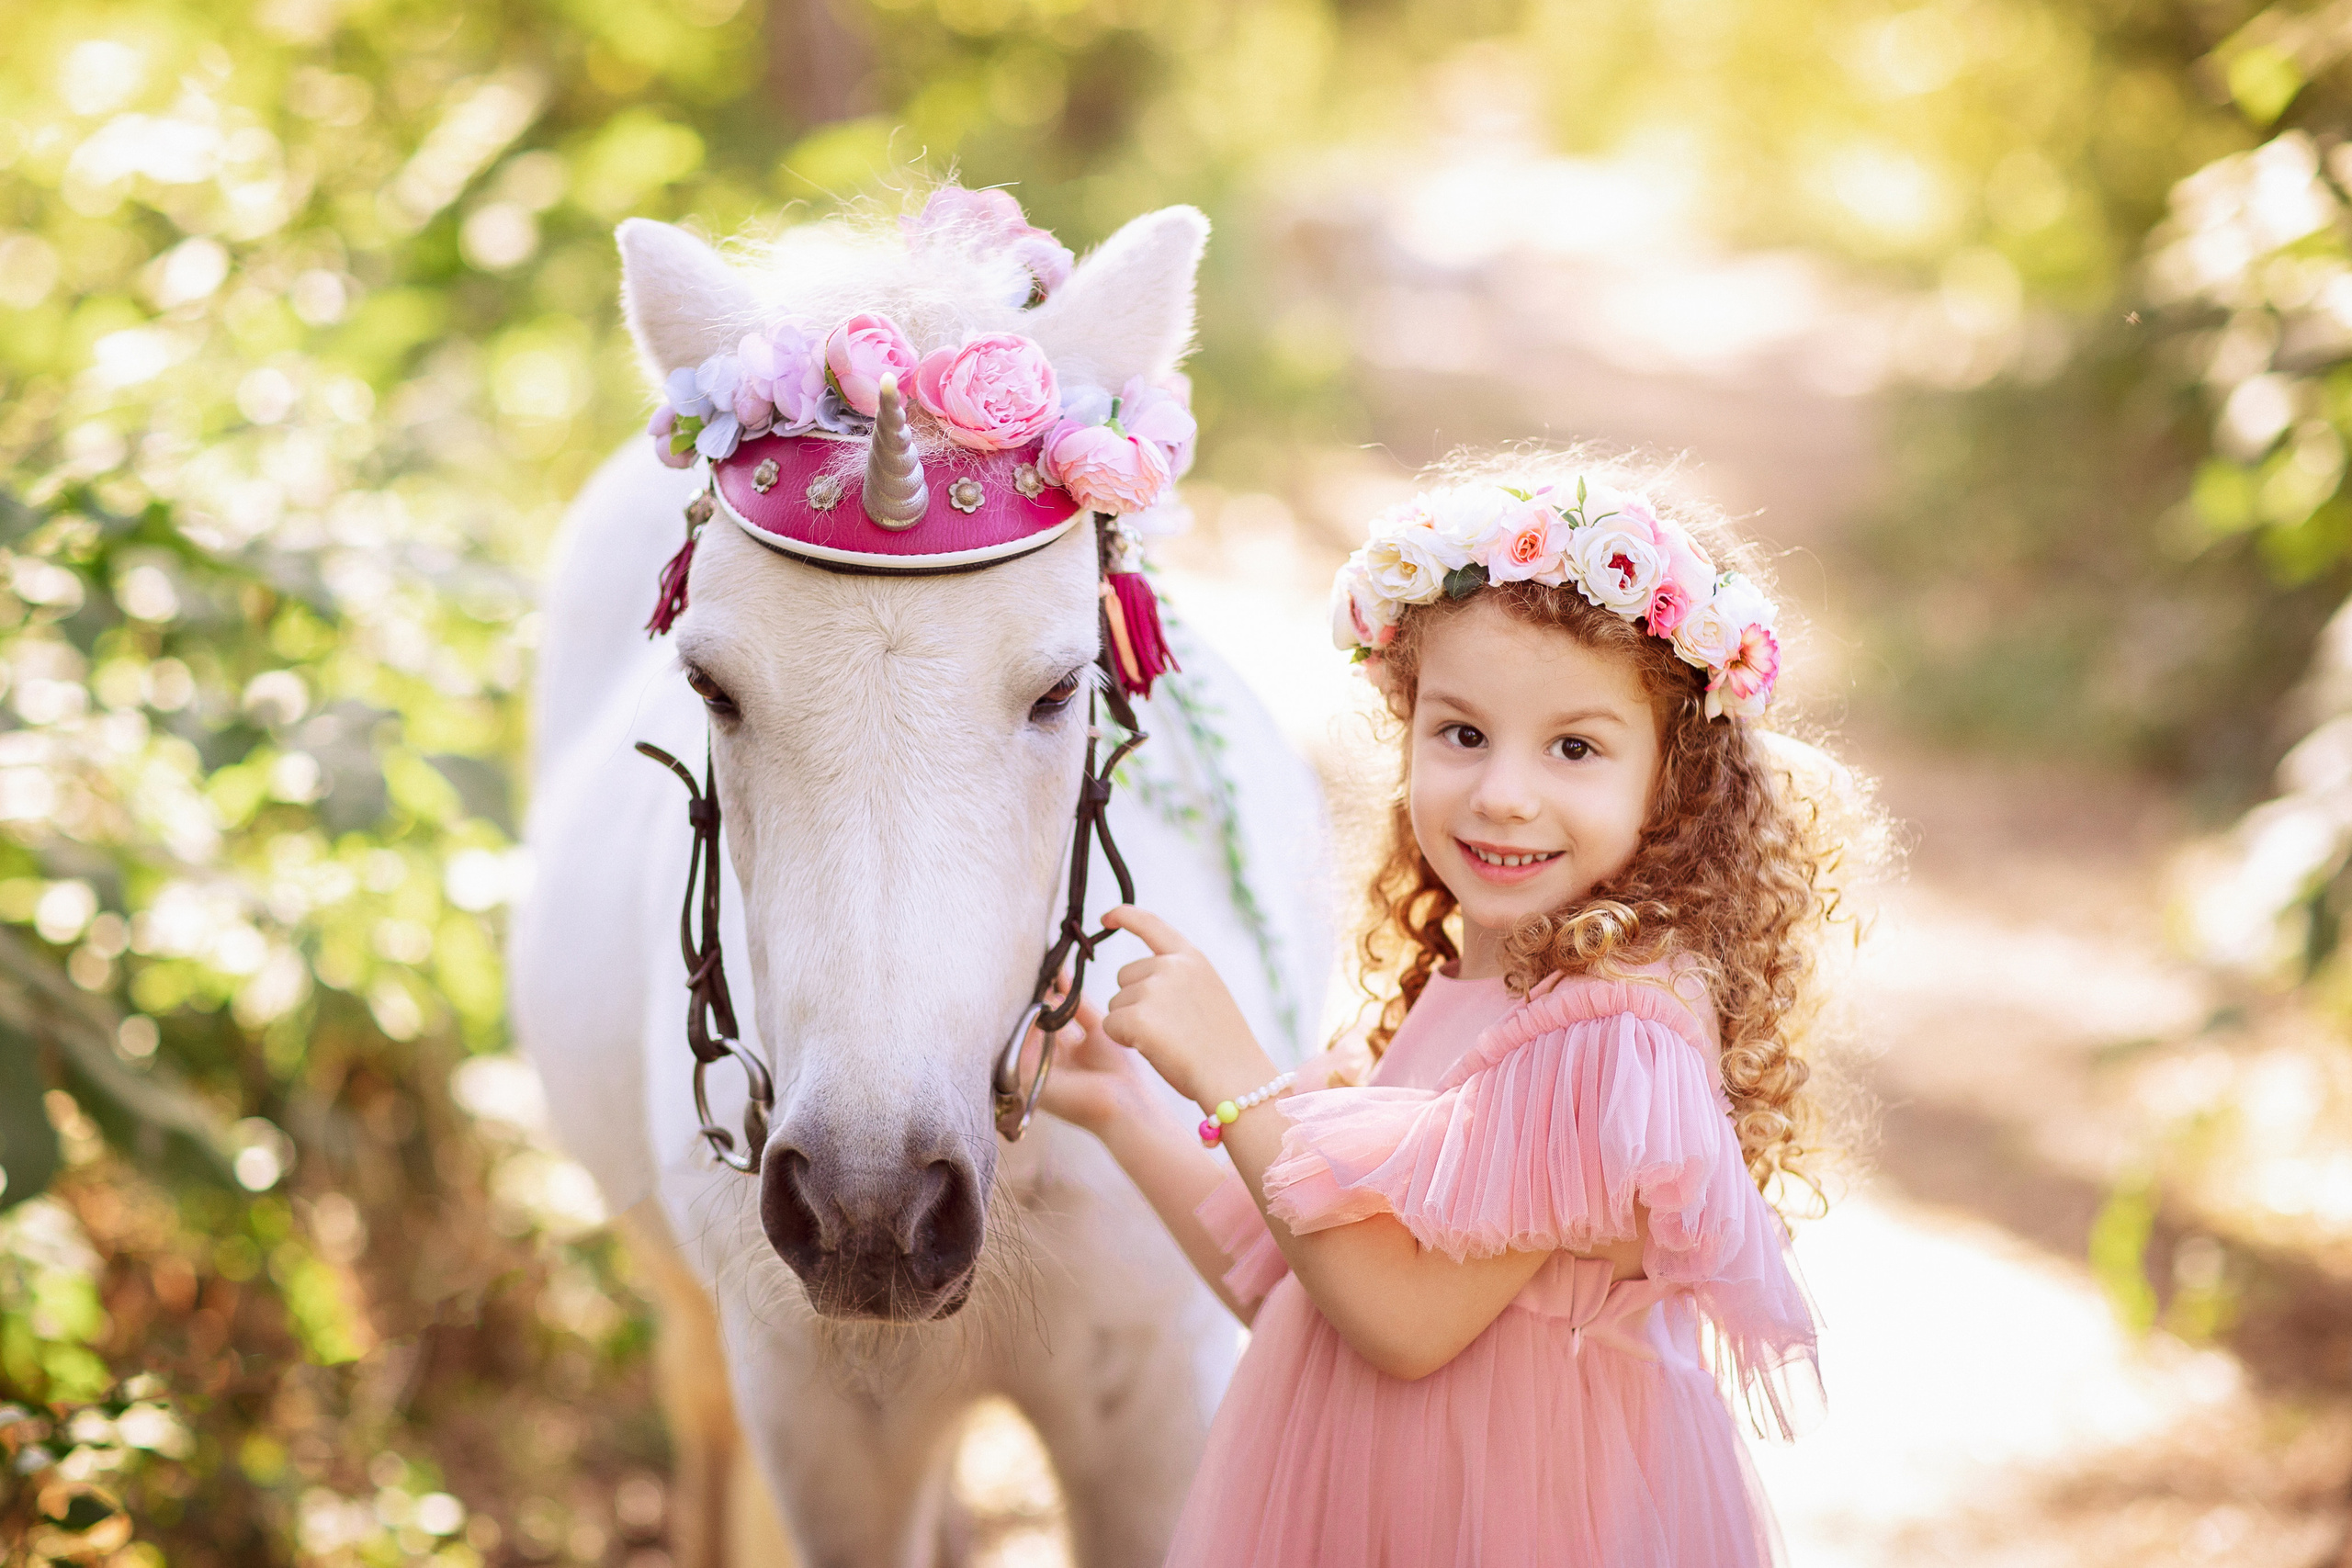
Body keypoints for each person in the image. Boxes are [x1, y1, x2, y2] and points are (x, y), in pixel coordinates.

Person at [1037, 456, 1867, 1566]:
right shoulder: (1471, 989)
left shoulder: (1608, 1036)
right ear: (1407, 725)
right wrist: (1125, 1108)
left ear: (1672, 781)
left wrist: (1233, 1074)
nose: (1502, 792)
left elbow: (1403, 1324)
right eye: (1461, 733)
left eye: (1573, 747)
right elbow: (1314, 1288)